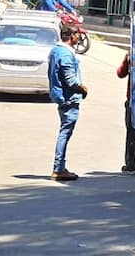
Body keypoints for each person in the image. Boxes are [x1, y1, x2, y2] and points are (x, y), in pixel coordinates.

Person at [48, 23, 88, 181]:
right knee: (65, 133)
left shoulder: (57, 51)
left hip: (62, 97)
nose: (79, 37)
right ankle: (58, 168)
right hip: (68, 99)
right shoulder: (64, 54)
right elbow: (70, 80)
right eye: (77, 34)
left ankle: (60, 167)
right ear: (71, 36)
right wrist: (83, 89)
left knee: (64, 132)